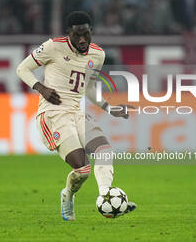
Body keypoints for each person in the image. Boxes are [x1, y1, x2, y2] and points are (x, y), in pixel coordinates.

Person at [17, 11, 136, 221]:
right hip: (52, 115)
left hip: (76, 113)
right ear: (68, 34)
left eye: (86, 34)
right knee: (82, 170)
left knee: (104, 150)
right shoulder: (53, 47)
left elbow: (89, 88)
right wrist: (41, 88)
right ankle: (67, 195)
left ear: (92, 32)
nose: (82, 39)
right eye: (77, 35)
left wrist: (109, 107)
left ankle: (106, 198)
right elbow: (22, 69)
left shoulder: (98, 55)